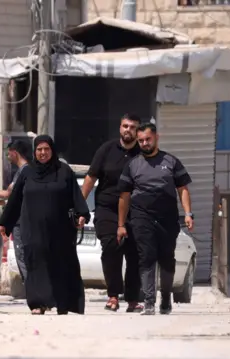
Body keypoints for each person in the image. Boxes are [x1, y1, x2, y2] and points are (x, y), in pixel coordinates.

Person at [0, 135, 90, 315]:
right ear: (34, 151)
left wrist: (82, 215)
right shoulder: (27, 173)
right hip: (32, 229)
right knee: (35, 264)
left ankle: (63, 303)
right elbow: (15, 200)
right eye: (39, 149)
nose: (43, 153)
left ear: (52, 150)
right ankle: (38, 303)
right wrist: (5, 224)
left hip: (61, 230)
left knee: (61, 264)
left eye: (46, 149)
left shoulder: (64, 171)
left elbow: (75, 196)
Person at [117, 123, 194, 315]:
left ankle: (166, 297)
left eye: (147, 139)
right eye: (141, 140)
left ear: (156, 138)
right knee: (146, 257)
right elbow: (124, 196)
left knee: (167, 259)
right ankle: (149, 302)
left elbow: (183, 189)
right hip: (141, 217)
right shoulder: (132, 164)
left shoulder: (171, 161)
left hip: (167, 218)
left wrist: (188, 213)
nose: (144, 143)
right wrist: (120, 224)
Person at [81, 113, 143, 312]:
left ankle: (132, 299)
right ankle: (113, 295)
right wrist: (79, 206)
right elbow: (90, 179)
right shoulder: (106, 150)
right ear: (120, 128)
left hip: (135, 211)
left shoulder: (143, 154)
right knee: (110, 248)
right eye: (125, 126)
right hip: (107, 209)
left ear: (137, 131)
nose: (128, 130)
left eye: (132, 127)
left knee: (134, 255)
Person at [0, 139, 31, 282]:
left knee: (22, 255)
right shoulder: (22, 171)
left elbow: (9, 193)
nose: (8, 157)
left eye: (9, 154)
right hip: (20, 220)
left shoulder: (24, 171)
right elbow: (11, 195)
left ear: (15, 153)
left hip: (21, 221)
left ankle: (31, 289)